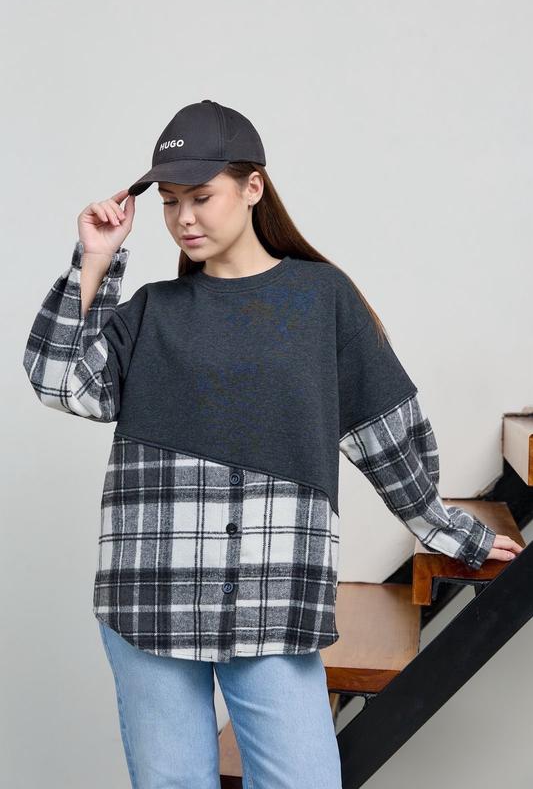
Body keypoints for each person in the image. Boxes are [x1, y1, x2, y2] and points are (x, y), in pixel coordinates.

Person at [22, 100, 522, 789]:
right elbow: (60, 383)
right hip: (148, 595)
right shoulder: (150, 311)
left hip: (272, 595)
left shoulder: (321, 299)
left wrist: (445, 528)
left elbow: (384, 431)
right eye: (169, 202)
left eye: (201, 197)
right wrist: (96, 259)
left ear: (252, 186)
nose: (184, 218)